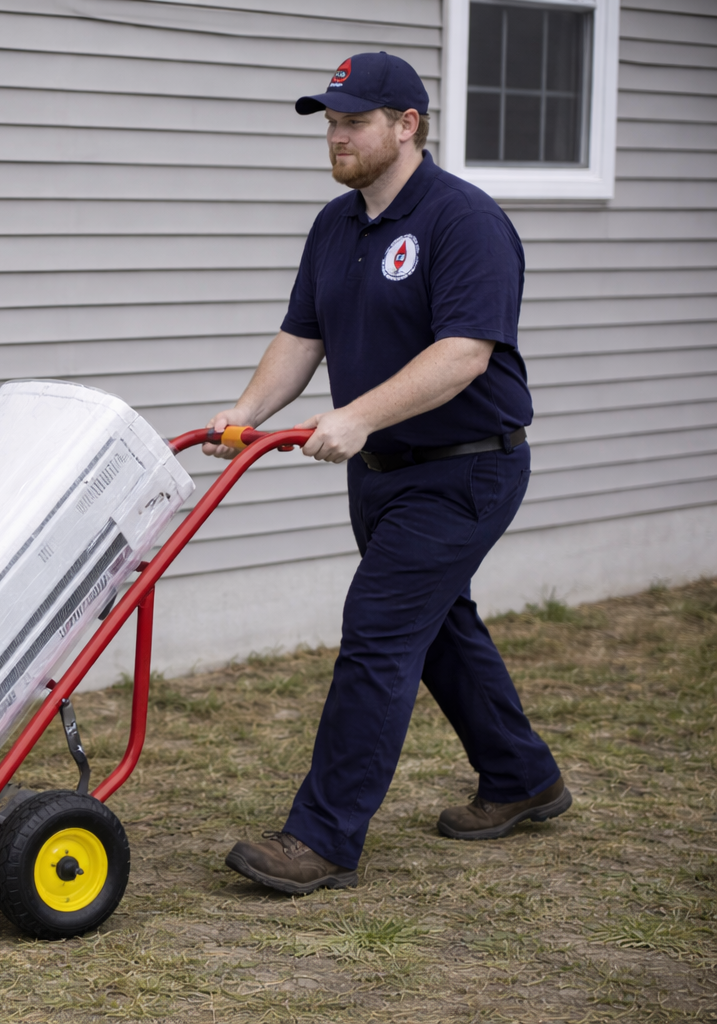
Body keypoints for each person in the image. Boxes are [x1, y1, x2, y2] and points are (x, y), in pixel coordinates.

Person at [207, 52, 571, 895]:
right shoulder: (336, 225)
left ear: (407, 126)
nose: (336, 136)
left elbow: (464, 354)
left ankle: (322, 838)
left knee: (377, 633)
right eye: (330, 122)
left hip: (466, 470)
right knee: (437, 629)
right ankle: (523, 778)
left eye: (354, 122)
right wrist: (245, 414)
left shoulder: (463, 221)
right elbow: (303, 337)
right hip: (380, 474)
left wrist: (359, 414)